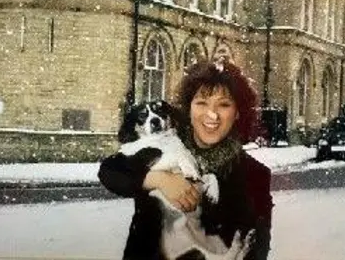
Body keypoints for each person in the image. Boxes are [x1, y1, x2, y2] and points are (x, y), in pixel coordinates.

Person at [98, 59, 273, 260]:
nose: (212, 115)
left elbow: (257, 249)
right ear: (188, 108)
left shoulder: (255, 174)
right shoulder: (164, 144)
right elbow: (110, 170)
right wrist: (160, 180)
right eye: (201, 102)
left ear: (237, 113)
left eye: (224, 105)